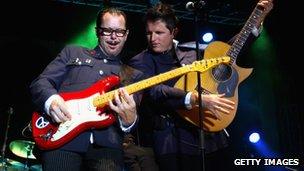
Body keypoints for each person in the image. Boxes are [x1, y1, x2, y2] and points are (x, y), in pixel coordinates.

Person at [128, 1, 273, 171]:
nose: (153, 39)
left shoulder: (192, 51)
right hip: (171, 143)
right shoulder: (139, 61)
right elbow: (154, 91)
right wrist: (196, 98)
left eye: (159, 33)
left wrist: (254, 25)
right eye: (149, 33)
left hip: (209, 138)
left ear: (174, 31)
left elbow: (228, 54)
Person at [30, 8, 143, 171]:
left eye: (119, 32)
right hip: (62, 141)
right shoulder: (72, 52)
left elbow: (130, 122)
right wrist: (51, 101)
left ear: (126, 35)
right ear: (97, 32)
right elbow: (41, 83)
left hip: (107, 149)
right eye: (107, 30)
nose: (113, 37)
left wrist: (130, 120)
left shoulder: (133, 75)